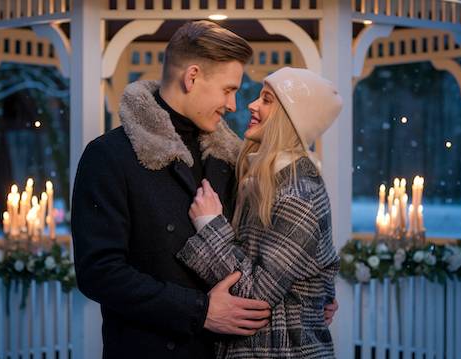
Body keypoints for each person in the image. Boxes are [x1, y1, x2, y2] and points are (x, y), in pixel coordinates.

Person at [71, 21, 337, 358]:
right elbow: (99, 273)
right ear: (192, 77)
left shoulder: (233, 158)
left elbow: (261, 252)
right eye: (228, 90)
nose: (234, 105)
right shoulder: (110, 155)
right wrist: (199, 310)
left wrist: (309, 294)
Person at [176, 67, 343, 358]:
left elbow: (254, 298)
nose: (251, 104)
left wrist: (209, 225)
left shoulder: (297, 195)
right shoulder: (263, 179)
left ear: (291, 118)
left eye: (266, 99)